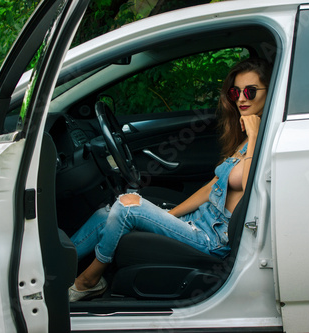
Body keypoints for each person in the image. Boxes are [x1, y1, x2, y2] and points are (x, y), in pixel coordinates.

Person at [68, 58, 272, 302]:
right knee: (108, 212)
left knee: (126, 206)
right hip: (196, 222)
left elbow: (253, 190)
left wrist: (255, 133)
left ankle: (89, 281)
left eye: (250, 91)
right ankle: (50, 265)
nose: (241, 98)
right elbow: (210, 188)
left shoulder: (264, 138)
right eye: (235, 91)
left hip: (211, 239)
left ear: (268, 92)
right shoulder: (244, 140)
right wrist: (169, 216)